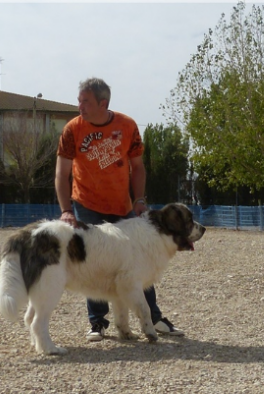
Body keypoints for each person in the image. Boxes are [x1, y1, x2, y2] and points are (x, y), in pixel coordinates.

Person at [54, 77, 184, 342]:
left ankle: (154, 317)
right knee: (93, 262)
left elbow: (138, 167)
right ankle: (97, 322)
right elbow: (62, 173)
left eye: (85, 101)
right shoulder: (72, 130)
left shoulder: (127, 126)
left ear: (103, 103)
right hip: (86, 205)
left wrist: (139, 200)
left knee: (139, 263)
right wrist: (66, 210)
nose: (79, 106)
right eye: (79, 100)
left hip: (122, 207)